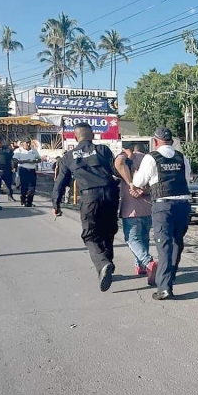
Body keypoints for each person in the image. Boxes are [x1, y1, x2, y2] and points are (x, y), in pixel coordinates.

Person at [52, 123, 119, 292]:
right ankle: (108, 264)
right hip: (110, 194)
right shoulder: (103, 150)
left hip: (90, 197)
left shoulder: (68, 157)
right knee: (108, 231)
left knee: (90, 235)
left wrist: (56, 204)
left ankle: (103, 264)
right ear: (93, 136)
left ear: (75, 138)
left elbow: (60, 183)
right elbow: (116, 170)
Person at [132, 127, 192, 300]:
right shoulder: (182, 157)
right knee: (176, 243)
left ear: (155, 141)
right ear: (171, 141)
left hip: (163, 206)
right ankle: (169, 276)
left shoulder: (152, 157)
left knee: (164, 245)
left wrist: (136, 178)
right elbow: (186, 179)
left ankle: (165, 287)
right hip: (183, 205)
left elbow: (139, 181)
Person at [115, 144, 156, 283]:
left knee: (132, 239)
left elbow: (118, 163)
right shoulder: (149, 159)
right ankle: (141, 266)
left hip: (131, 210)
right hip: (148, 208)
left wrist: (130, 183)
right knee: (143, 239)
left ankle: (148, 262)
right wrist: (144, 191)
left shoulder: (126, 157)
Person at [13, 139, 41, 207]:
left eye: (29, 143)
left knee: (32, 187)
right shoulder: (18, 151)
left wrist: (35, 161)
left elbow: (39, 159)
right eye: (26, 143)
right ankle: (23, 200)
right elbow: (15, 161)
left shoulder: (34, 150)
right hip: (23, 169)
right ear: (22, 144)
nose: (28, 145)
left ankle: (29, 202)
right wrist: (26, 161)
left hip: (32, 169)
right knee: (24, 186)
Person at [0, 138, 16, 202]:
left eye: (0, 142)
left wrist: (13, 167)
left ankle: (10, 196)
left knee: (9, 184)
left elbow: (12, 159)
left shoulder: (7, 150)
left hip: (7, 169)